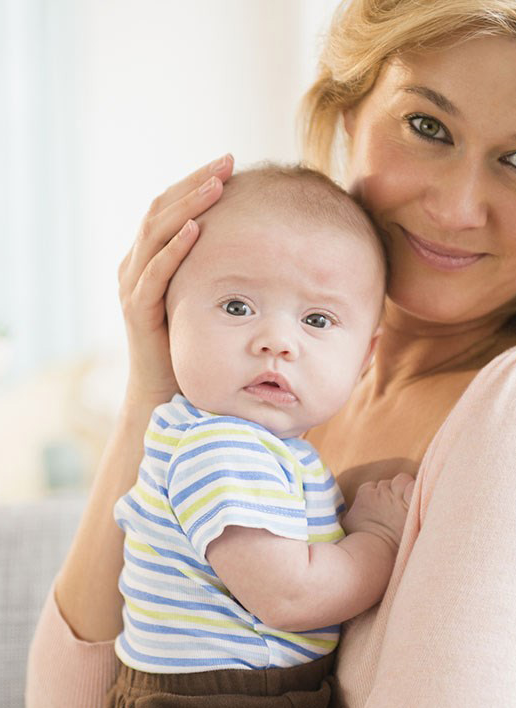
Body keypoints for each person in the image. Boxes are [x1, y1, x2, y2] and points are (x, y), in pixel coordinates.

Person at [27, 1, 516, 705]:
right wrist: (153, 394)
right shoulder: (279, 399)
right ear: (348, 111)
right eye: (428, 127)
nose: (458, 207)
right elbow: (70, 697)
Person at [107, 165, 415, 706]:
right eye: (237, 307)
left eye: (317, 320)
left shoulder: (265, 451)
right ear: (168, 317)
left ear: (366, 356)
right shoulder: (220, 448)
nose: (276, 341)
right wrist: (380, 541)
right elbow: (290, 594)